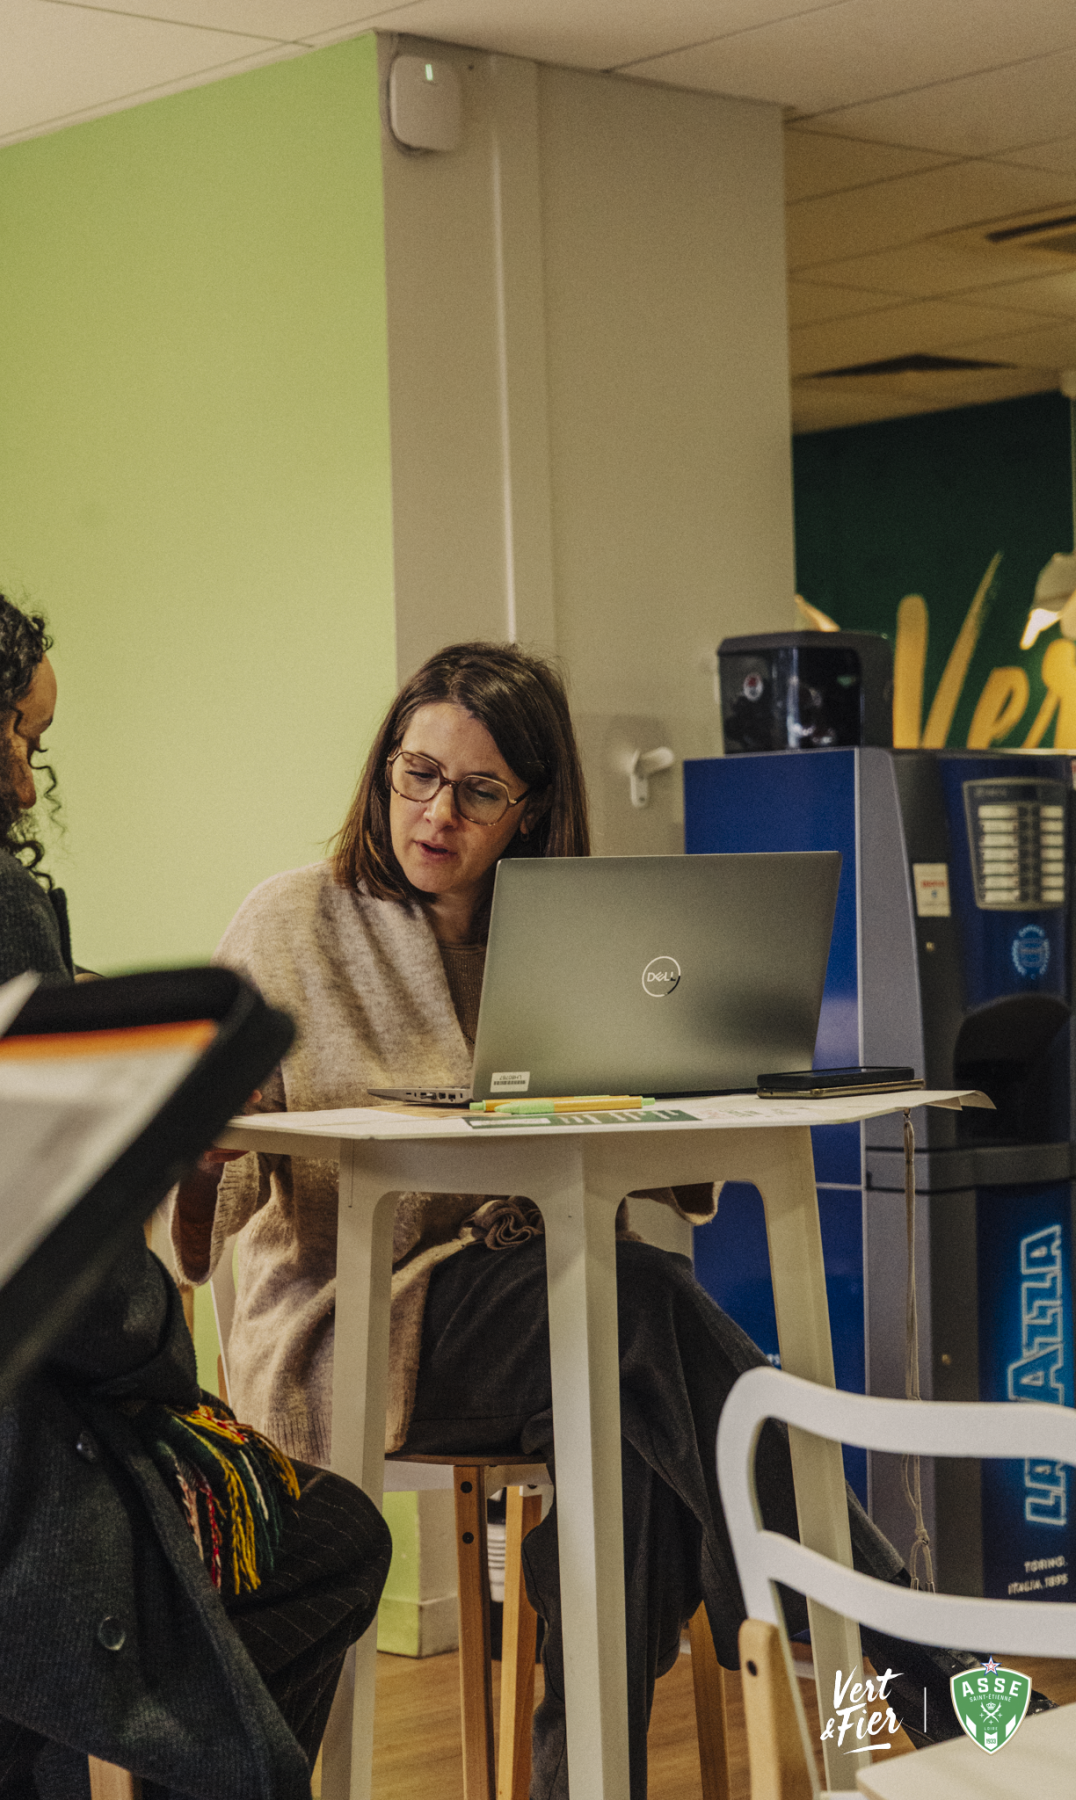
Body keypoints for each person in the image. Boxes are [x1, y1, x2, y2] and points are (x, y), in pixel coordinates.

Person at [174, 638, 1049, 1796]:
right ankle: (921, 1668)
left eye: (479, 791)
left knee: (628, 1416)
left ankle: (596, 1776)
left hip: (555, 1298)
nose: (437, 813)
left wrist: (692, 1067)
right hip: (363, 1317)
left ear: (531, 810)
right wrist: (201, 1145)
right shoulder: (292, 921)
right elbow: (212, 1202)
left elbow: (645, 1150)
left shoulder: (574, 932)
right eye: (417, 775)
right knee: (634, 1308)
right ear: (385, 767)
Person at [0, 565, 391, 1800]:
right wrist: (168, 1350)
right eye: (23, 736)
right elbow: (60, 1269)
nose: (26, 782)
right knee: (327, 1537)